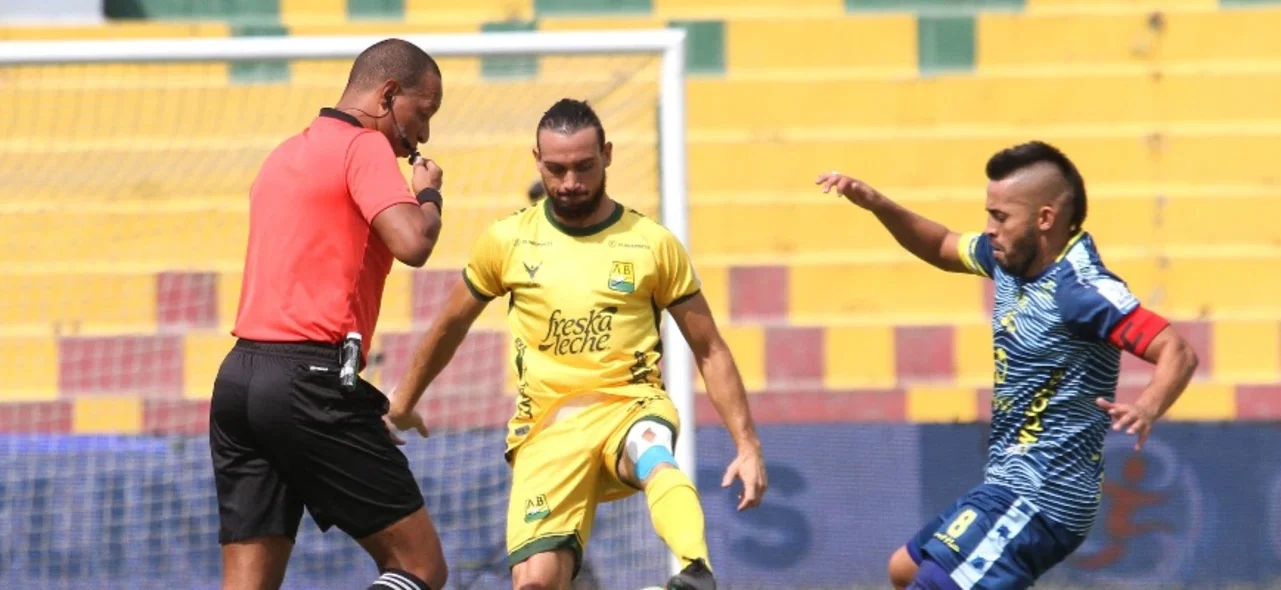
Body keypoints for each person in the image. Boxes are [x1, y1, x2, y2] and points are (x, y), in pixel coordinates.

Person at [389, 98, 768, 590]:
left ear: (607, 155)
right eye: (557, 169)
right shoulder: (508, 241)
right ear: (536, 161)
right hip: (546, 429)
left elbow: (709, 347)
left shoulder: (652, 243)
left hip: (628, 405)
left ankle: (695, 572)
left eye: (584, 167)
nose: (570, 182)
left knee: (653, 451)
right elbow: (448, 327)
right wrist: (402, 401)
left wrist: (747, 443)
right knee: (536, 582)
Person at [815, 141, 1199, 590]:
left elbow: (1177, 350)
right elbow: (941, 244)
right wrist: (877, 204)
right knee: (905, 569)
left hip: (1043, 498)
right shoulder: (1012, 261)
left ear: (1045, 219)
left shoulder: (1080, 290)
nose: (989, 229)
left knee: (933, 584)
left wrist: (1149, 405)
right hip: (1006, 485)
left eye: (1000, 217)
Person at [209, 38, 450, 590]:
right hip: (306, 383)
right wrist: (430, 197)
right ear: (389, 94)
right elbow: (414, 243)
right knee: (419, 567)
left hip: (240, 382)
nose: (425, 134)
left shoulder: (284, 153)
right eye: (425, 112)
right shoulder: (362, 147)